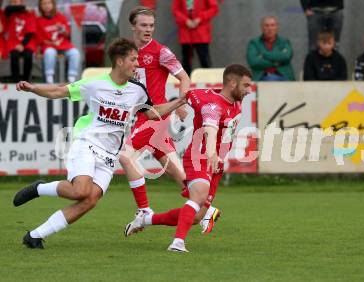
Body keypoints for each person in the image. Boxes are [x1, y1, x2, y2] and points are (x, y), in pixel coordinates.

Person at [12, 38, 186, 249]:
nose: (137, 64)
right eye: (133, 59)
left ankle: (35, 236)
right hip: (87, 142)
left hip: (109, 155)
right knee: (80, 191)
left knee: (90, 200)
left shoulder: (138, 90)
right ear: (120, 61)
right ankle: (40, 188)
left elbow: (151, 113)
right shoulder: (95, 84)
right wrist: (33, 88)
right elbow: (59, 91)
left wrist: (180, 101)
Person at [129, 64, 252, 252]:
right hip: (200, 157)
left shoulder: (223, 98)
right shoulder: (213, 106)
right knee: (199, 195)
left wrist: (182, 102)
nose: (248, 91)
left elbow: (191, 95)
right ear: (232, 83)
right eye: (245, 86)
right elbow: (210, 129)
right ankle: (177, 243)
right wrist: (211, 153)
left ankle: (147, 219)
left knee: (196, 216)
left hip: (216, 163)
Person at [122, 7, 221, 236]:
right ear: (133, 26)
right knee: (179, 174)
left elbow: (184, 77)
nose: (148, 29)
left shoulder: (161, 52)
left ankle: (144, 211)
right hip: (141, 116)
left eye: (151, 25)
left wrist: (183, 103)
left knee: (126, 156)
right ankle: (207, 209)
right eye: (143, 25)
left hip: (154, 116)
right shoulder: (128, 52)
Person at [36, 0, 80, 83]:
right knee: (50, 52)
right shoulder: (38, 20)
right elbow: (39, 39)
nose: (46, 6)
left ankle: (72, 78)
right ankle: (49, 78)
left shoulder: (60, 17)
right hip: (49, 46)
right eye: (44, 4)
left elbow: (67, 34)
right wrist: (51, 43)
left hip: (63, 45)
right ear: (40, 6)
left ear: (53, 4)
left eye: (49, 3)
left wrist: (62, 30)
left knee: (75, 52)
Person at [171, 0, 219, 74]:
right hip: (186, 32)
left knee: (204, 60)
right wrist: (185, 20)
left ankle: (208, 81)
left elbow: (214, 8)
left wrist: (200, 18)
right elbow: (175, 10)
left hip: (201, 32)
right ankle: (186, 83)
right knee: (186, 61)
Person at [246, 16, 295, 81]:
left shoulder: (284, 42)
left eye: (272, 25)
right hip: (262, 77)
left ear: (277, 27)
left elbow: (286, 56)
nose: (270, 28)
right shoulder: (254, 43)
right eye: (266, 25)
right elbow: (253, 62)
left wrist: (263, 54)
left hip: (284, 76)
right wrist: (276, 62)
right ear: (261, 27)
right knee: (271, 79)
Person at [4, 0, 37, 82]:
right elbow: (8, 8)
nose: (13, 4)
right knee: (14, 56)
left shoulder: (30, 13)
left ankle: (26, 80)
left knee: (28, 56)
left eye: (16, 2)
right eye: (12, 2)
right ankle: (15, 80)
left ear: (21, 2)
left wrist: (22, 44)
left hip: (27, 42)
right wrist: (24, 7)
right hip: (13, 42)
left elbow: (30, 31)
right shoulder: (10, 12)